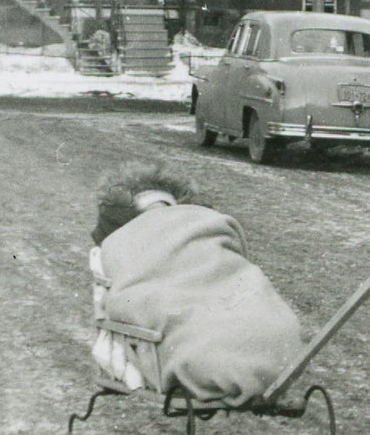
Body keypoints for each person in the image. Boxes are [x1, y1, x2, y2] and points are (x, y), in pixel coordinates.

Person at [89, 161, 302, 405]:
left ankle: (241, 352)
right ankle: (246, 357)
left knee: (238, 298)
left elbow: (228, 264)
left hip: (221, 300)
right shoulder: (127, 231)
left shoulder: (201, 221)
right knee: (184, 315)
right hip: (207, 318)